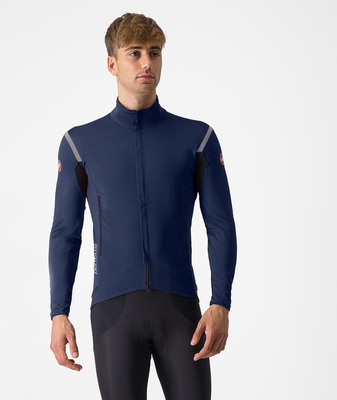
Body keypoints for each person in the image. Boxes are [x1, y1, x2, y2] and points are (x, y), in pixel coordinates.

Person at [48, 13, 237, 400]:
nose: (147, 62)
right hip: (113, 312)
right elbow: (66, 233)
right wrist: (58, 312)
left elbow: (220, 225)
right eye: (134, 53)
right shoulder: (80, 144)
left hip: (180, 309)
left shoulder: (197, 138)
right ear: (112, 64)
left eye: (155, 52)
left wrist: (221, 303)